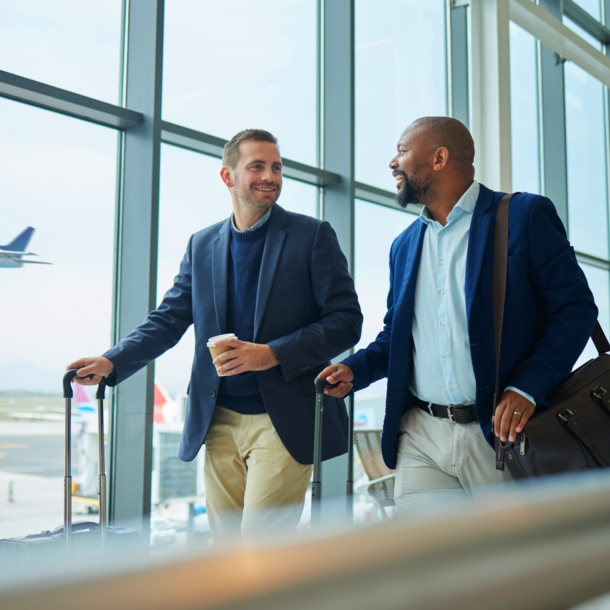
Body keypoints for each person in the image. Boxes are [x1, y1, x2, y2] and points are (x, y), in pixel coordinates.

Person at [67, 128, 362, 538]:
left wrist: (271, 353)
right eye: (257, 166)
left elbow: (346, 321)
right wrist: (112, 361)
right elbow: (168, 319)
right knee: (225, 553)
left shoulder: (312, 236)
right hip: (217, 418)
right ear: (228, 177)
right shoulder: (202, 244)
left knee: (261, 552)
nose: (270, 176)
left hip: (283, 420)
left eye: (276, 167)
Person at [319, 116, 597, 513]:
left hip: (499, 434)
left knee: (508, 565)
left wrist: (526, 388)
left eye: (401, 151)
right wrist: (355, 371)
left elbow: (575, 309)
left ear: (439, 157)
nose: (392, 163)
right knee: (430, 566)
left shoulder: (523, 216)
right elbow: (396, 335)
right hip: (421, 435)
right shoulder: (404, 245)